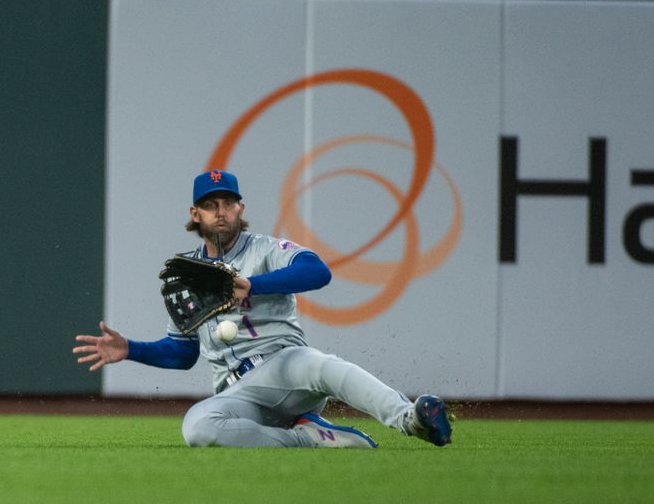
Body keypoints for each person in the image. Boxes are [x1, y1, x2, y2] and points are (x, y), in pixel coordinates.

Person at [73, 169, 452, 448]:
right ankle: (308, 437)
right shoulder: (186, 273)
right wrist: (130, 350)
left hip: (285, 366)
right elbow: (184, 353)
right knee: (198, 428)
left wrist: (255, 284)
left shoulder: (264, 250)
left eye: (227, 203)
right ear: (195, 214)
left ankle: (409, 419)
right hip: (239, 395)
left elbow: (317, 272)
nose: (219, 212)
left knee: (319, 364)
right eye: (210, 205)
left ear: (241, 207)